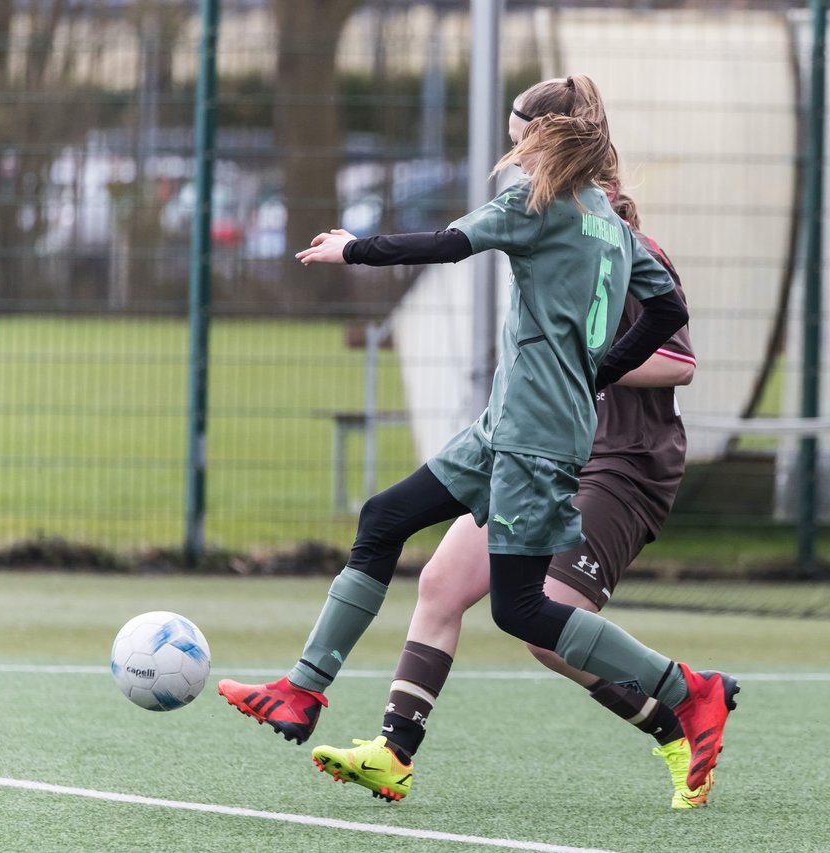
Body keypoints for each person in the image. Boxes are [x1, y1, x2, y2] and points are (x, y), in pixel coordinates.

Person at [217, 74, 738, 805]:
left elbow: (449, 242)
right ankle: (302, 693)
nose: (510, 144)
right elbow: (668, 308)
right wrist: (597, 368)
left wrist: (352, 249)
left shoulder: (538, 202)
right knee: (386, 518)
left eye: (514, 129)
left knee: (524, 612)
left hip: (534, 438)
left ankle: (689, 690)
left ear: (534, 134)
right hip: (507, 427)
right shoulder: (610, 224)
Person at [308, 190, 705, 809]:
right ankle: (393, 752)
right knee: (441, 582)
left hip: (620, 466)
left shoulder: (630, 255)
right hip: (535, 449)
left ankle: (678, 722)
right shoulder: (551, 255)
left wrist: (583, 362)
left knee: (543, 623)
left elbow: (679, 362)